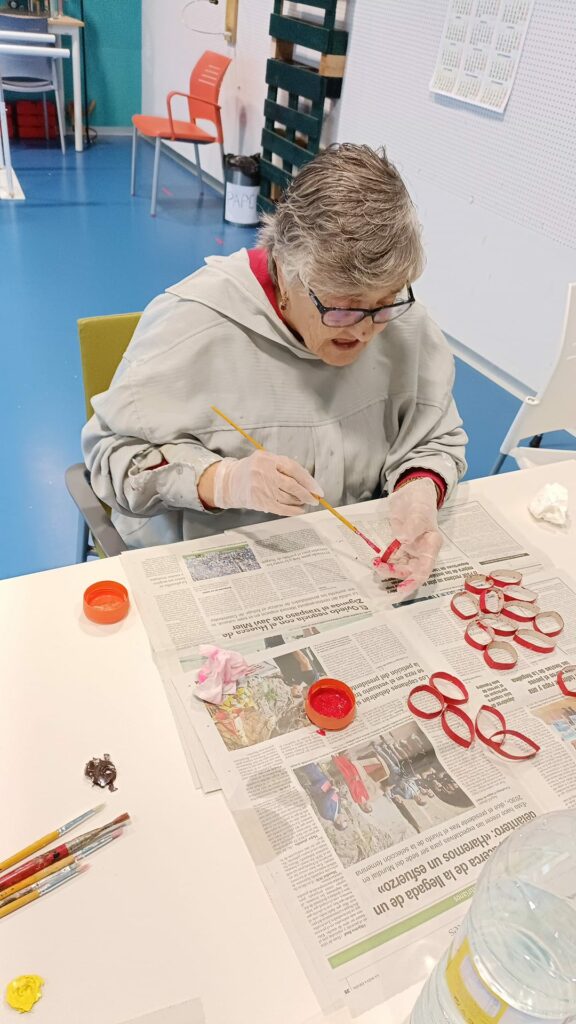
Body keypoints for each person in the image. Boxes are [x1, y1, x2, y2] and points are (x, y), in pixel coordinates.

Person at [82, 144, 467, 595]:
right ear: (285, 270)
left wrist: (418, 491)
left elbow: (434, 437)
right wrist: (221, 482)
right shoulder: (192, 324)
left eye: (383, 304)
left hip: (353, 570)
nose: (365, 330)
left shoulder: (403, 323)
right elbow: (114, 457)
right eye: (343, 308)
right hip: (218, 573)